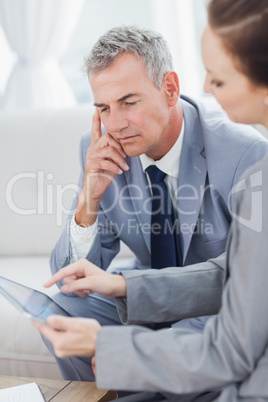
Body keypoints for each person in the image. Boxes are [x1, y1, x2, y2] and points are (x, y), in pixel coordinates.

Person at [42, 23, 268, 385]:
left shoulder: (244, 153)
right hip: (145, 304)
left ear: (170, 89)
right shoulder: (102, 149)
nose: (115, 124)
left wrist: (127, 291)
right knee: (64, 310)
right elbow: (70, 277)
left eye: (129, 103)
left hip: (214, 309)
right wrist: (91, 196)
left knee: (199, 329)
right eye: (103, 108)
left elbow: (240, 283)